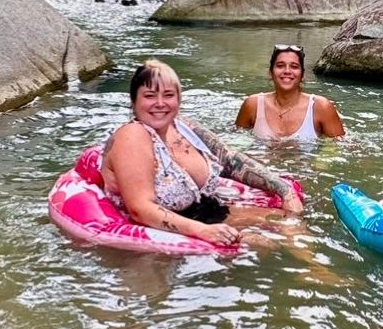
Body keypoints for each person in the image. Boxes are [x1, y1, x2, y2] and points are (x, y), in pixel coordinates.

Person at [102, 60, 302, 249]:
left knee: (289, 222)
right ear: (134, 101)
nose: (160, 103)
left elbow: (229, 160)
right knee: (262, 245)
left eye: (168, 95)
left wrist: (285, 190)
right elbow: (139, 209)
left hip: (203, 212)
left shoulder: (183, 127)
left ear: (178, 99)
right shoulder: (132, 136)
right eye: (150, 95)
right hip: (157, 236)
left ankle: (320, 277)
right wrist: (202, 231)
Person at [235, 45, 345, 141]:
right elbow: (235, 143)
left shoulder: (321, 107)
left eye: (294, 66)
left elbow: (336, 148)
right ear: (270, 73)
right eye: (280, 65)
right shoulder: (252, 105)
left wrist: (320, 164)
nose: (287, 71)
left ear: (302, 75)